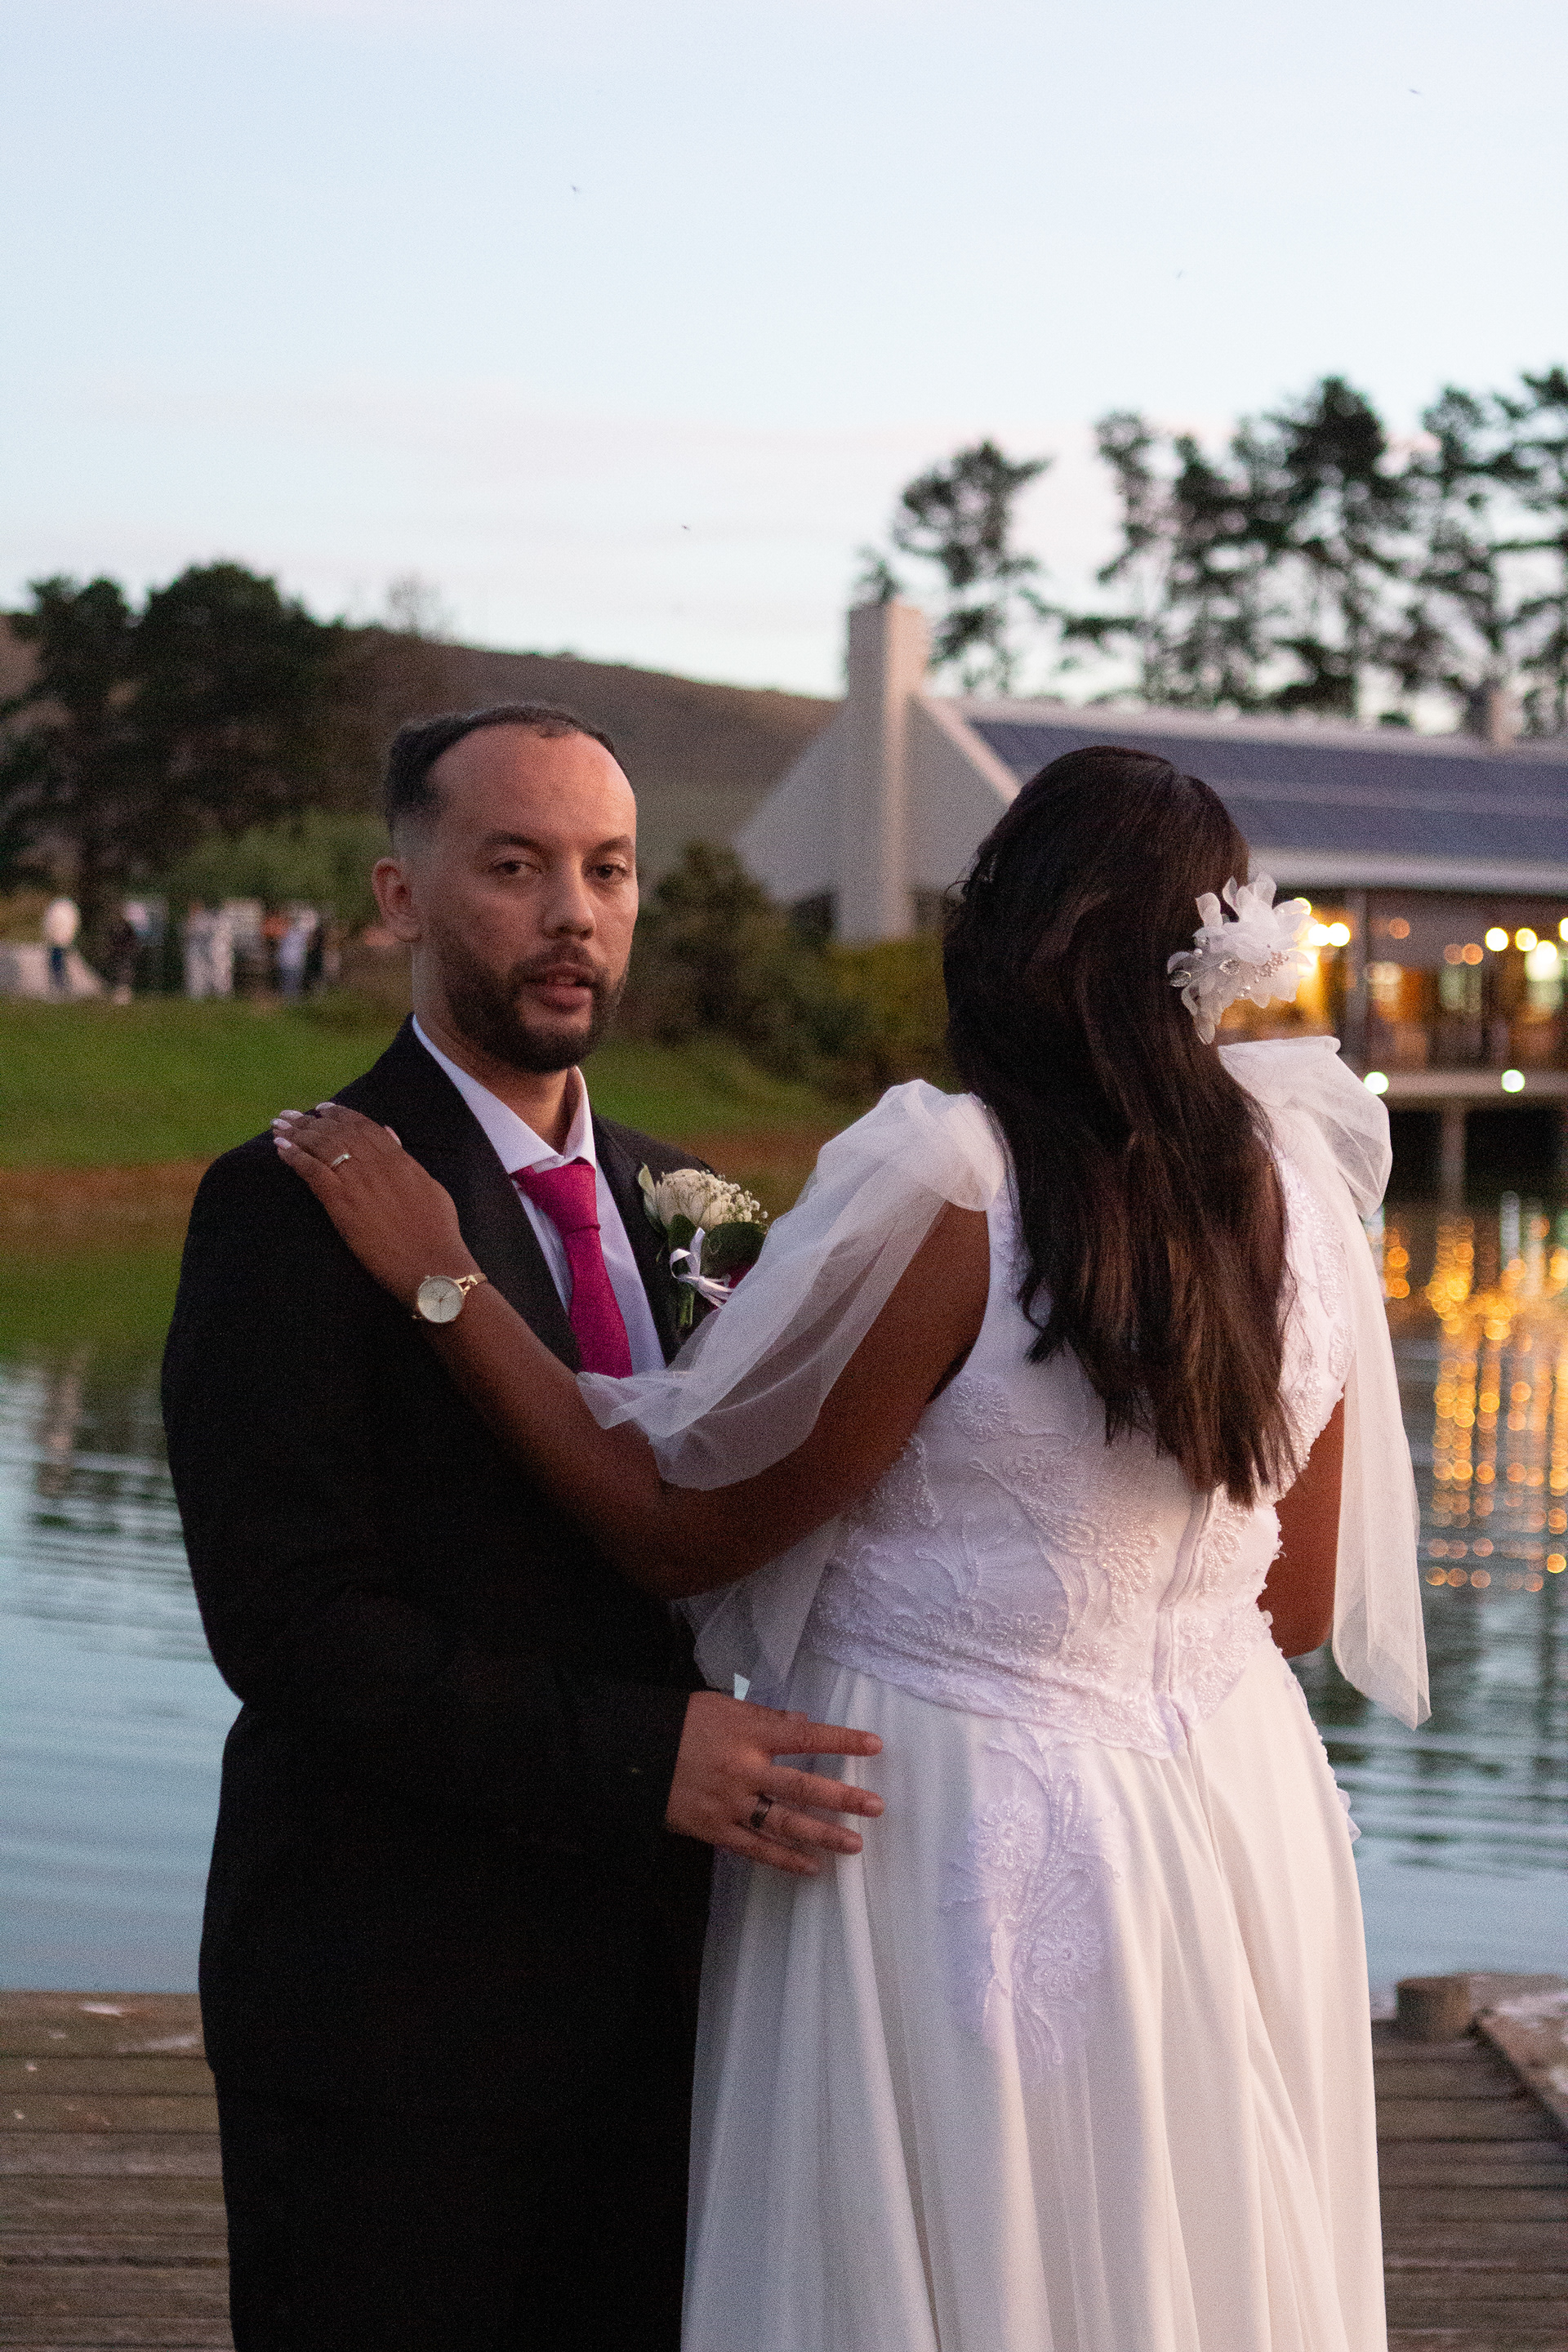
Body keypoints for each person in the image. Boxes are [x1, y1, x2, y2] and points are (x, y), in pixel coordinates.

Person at [278, 746, 1428, 2352]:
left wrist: (446, 1281)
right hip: (1235, 1810)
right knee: (1179, 2262)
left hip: (954, 1826)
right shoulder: (1298, 1183)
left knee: (955, 2268)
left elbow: (676, 1531)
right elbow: (1294, 1600)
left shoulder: (958, 1180)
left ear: (1009, 931)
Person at [162, 702, 882, 2352]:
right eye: (515, 866)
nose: (573, 913)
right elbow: (289, 1626)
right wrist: (643, 1756)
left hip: (684, 2001)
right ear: (399, 897)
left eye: (608, 870)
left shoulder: (706, 1215)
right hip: (393, 2006)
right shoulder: (290, 1201)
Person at [42, 893, 80, 993]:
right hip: (63, 940)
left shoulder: (58, 907)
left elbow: (49, 923)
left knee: (57, 963)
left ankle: (61, 985)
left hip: (58, 940)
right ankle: (63, 985)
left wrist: (49, 935)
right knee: (61, 963)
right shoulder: (68, 907)